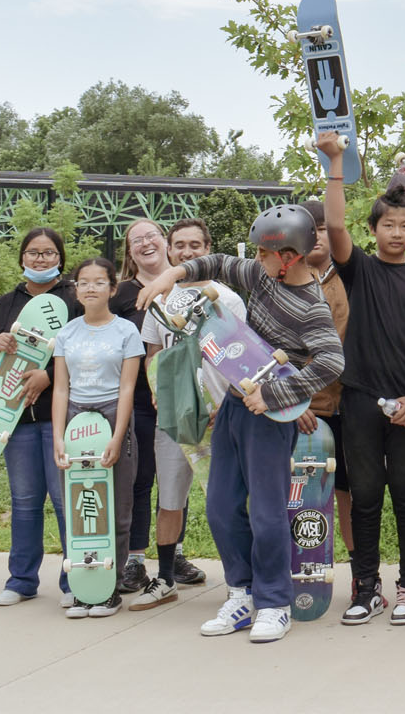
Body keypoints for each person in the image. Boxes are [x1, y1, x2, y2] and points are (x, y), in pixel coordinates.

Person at [134, 203, 343, 643]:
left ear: (290, 255)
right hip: (231, 403)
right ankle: (242, 593)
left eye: (265, 253)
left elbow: (331, 362)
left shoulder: (311, 306)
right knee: (221, 506)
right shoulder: (263, 276)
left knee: (267, 512)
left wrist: (273, 394)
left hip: (268, 415)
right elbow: (219, 263)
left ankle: (274, 603)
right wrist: (172, 274)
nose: (258, 260)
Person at [318, 131, 405, 627]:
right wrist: (335, 162)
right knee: (366, 497)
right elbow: (332, 224)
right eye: (387, 225)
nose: (397, 232)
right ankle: (366, 587)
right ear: (372, 230)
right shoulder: (360, 271)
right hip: (360, 402)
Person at [130, 218, 237, 610]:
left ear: (209, 247)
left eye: (196, 245)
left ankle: (240, 581)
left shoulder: (226, 297)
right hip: (173, 418)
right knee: (170, 499)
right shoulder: (160, 298)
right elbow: (153, 355)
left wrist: (226, 405)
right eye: (180, 245)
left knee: (224, 501)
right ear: (170, 251)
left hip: (219, 418)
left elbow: (242, 357)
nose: (188, 252)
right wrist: (162, 394)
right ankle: (165, 578)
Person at [0, 227, 78, 608]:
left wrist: (50, 374)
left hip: (58, 417)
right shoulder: (5, 304)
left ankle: (74, 581)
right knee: (24, 500)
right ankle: (21, 580)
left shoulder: (74, 299)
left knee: (66, 500)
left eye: (49, 253)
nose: (40, 259)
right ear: (22, 258)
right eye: (33, 253)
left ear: (60, 259)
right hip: (13, 421)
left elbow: (87, 350)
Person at [53, 256, 143, 618]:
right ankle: (83, 588)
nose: (90, 288)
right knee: (78, 508)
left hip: (112, 415)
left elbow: (127, 389)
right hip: (75, 419)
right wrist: (58, 438)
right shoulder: (66, 333)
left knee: (116, 508)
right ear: (76, 288)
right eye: (83, 282)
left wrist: (117, 438)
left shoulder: (126, 332)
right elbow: (61, 389)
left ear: (112, 288)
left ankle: (109, 587)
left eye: (98, 282)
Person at [111, 218, 171, 595]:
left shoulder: (189, 284)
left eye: (152, 236)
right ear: (130, 253)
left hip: (186, 399)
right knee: (140, 479)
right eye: (137, 241)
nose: (146, 243)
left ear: (165, 241)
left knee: (176, 481)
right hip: (138, 402)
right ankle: (135, 558)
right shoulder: (119, 294)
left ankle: (173, 554)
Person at [299, 199, 355, 566]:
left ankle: (362, 577)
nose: (316, 235)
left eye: (322, 227)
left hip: (349, 405)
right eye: (308, 229)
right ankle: (301, 570)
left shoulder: (354, 276)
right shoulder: (278, 281)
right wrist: (293, 402)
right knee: (301, 495)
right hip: (303, 410)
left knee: (350, 494)